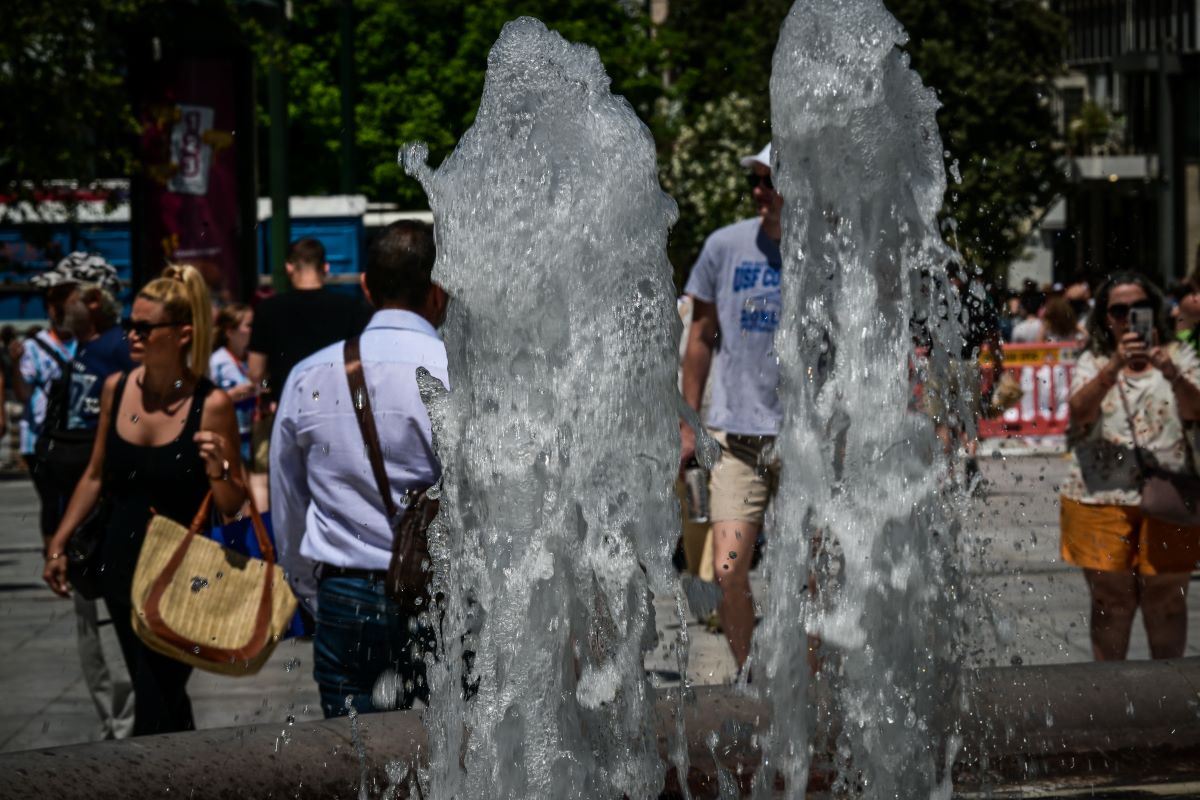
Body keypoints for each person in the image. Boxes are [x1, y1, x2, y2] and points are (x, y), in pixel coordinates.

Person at [43, 264, 248, 735]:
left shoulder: (209, 404)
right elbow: (95, 474)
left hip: (181, 577)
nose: (130, 335)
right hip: (119, 565)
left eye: (143, 327)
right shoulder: (117, 388)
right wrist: (59, 541)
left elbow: (233, 501)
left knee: (156, 702)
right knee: (158, 698)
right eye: (129, 324)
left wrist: (217, 469)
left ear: (182, 334)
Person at [271, 221, 448, 718]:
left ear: (367, 288)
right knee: (461, 757)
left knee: (359, 764)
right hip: (443, 589)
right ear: (440, 291)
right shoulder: (461, 372)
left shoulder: (310, 375)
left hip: (346, 590)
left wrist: (316, 595)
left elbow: (288, 509)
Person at [1059, 272, 1200, 661]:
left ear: (1153, 311)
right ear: (1106, 318)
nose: (1128, 317)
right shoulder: (1094, 360)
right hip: (1098, 495)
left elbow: (1196, 410)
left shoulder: (1180, 357)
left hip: (1171, 494)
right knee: (1110, 603)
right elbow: (1078, 413)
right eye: (1118, 310)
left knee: (1167, 600)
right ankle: (1110, 701)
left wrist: (1169, 371)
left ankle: (1172, 704)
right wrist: (1116, 364)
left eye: (1138, 308)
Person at [679, 143, 782, 673]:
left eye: (769, 179)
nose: (759, 191)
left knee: (816, 575)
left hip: (804, 441)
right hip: (737, 439)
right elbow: (700, 335)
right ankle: (747, 674)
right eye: (755, 182)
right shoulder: (724, 246)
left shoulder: (825, 250)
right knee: (726, 568)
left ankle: (810, 687)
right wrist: (688, 423)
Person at [247, 238, 370, 480]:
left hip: (286, 410)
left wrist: (267, 394)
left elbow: (255, 372)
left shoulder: (267, 310)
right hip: (339, 415)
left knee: (273, 479)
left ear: (289, 267)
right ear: (326, 267)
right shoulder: (353, 307)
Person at [11, 272, 78, 551]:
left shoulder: (85, 344)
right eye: (54, 307)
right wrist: (15, 365)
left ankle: (72, 551)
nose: (59, 313)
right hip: (39, 438)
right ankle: (55, 555)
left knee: (76, 498)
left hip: (77, 435)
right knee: (52, 499)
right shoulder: (33, 347)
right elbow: (24, 394)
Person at [210, 303, 258, 493]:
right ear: (230, 331)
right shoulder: (217, 361)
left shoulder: (250, 360)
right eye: (248, 325)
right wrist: (231, 396)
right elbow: (205, 400)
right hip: (228, 438)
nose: (253, 330)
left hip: (249, 435)